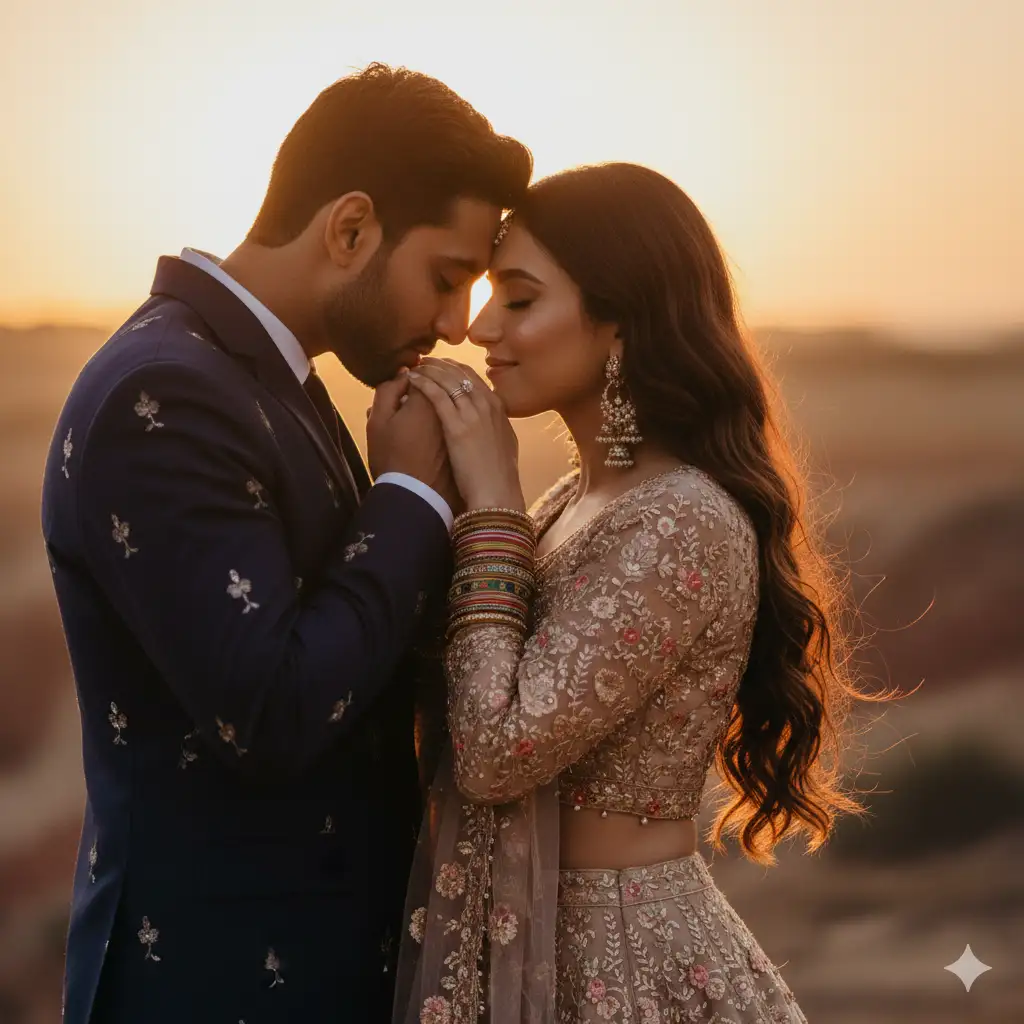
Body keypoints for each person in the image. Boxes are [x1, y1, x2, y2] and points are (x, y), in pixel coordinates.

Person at [40, 63, 531, 1023]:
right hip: (209, 982)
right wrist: (405, 497)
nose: (454, 325)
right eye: (446, 277)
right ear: (350, 228)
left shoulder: (264, 380)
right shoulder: (167, 396)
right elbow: (270, 710)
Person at [395, 163, 868, 1023]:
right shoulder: (567, 506)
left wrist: (491, 508)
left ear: (620, 324)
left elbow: (498, 752)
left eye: (521, 299)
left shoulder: (680, 520)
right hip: (527, 947)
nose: (484, 328)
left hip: (629, 962)